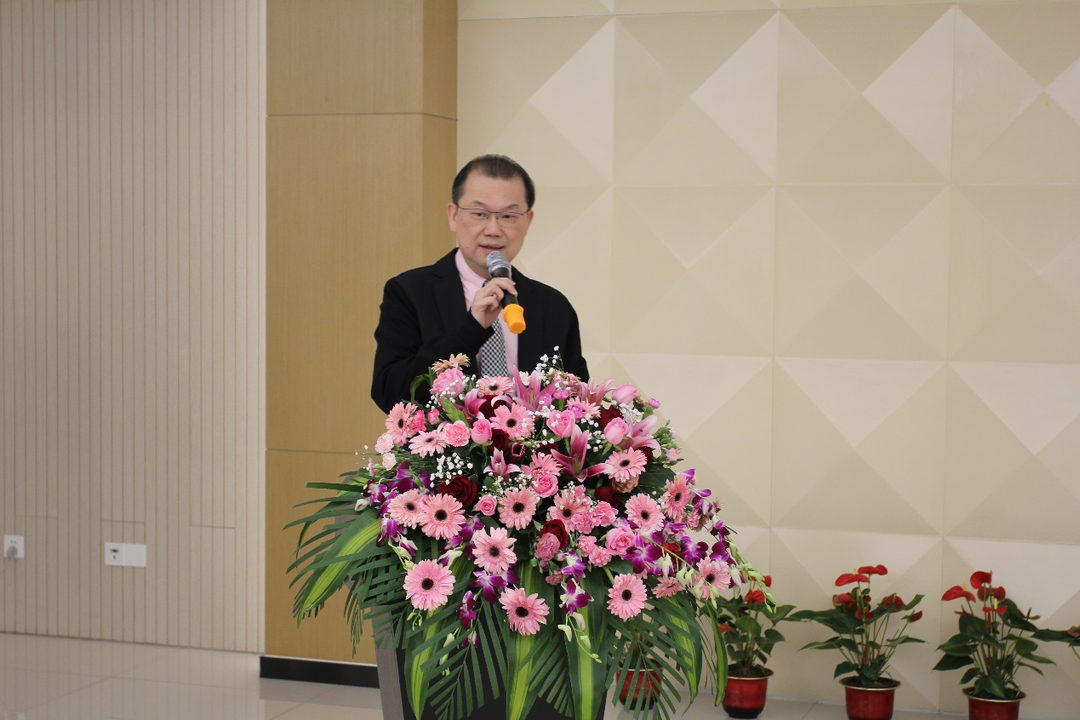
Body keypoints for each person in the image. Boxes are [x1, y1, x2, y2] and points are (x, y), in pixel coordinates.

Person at [371, 154, 589, 414]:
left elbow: (576, 403)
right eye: (479, 214)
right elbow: (389, 393)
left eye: (508, 216)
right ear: (453, 216)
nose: (493, 229)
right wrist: (471, 329)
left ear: (527, 221)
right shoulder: (409, 292)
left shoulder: (552, 306)